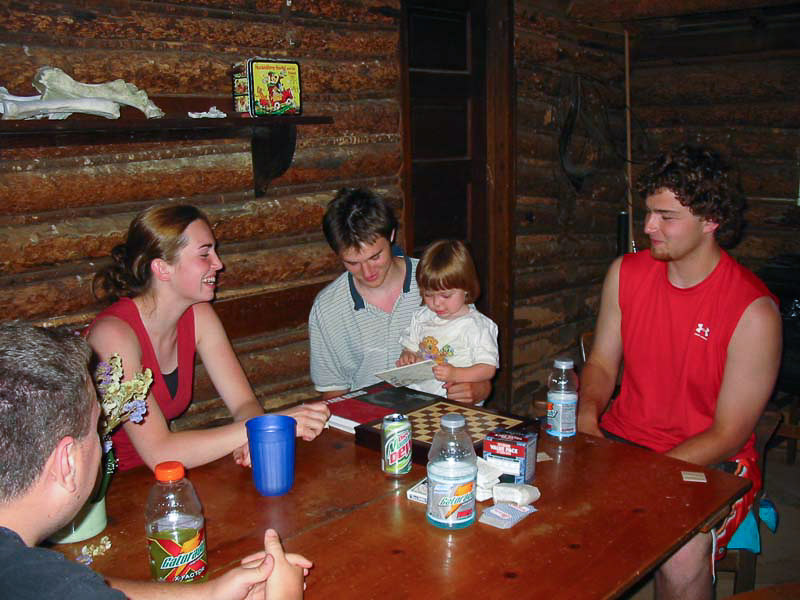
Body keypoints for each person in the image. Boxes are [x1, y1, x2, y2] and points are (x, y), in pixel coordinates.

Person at [577, 145, 782, 600]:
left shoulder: (753, 311)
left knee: (682, 552)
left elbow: (729, 434)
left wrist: (645, 474)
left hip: (707, 461)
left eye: (666, 217)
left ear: (711, 221)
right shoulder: (626, 273)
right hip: (623, 440)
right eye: (649, 213)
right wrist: (587, 417)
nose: (649, 227)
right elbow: (603, 364)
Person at [0, 322, 311, 600]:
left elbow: (73, 584)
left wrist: (208, 594)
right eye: (96, 427)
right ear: (67, 462)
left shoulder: (27, 571)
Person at [88, 204, 329, 471]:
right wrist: (268, 425)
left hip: (160, 480)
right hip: (108, 490)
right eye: (205, 254)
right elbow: (160, 453)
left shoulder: (199, 315)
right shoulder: (112, 336)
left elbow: (244, 403)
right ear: (162, 269)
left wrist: (253, 437)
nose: (219, 264)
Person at [308, 188, 491, 404]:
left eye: (375, 256)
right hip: (371, 422)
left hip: (441, 417)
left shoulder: (437, 281)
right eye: (352, 263)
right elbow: (333, 394)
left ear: (392, 235)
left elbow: (480, 359)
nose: (367, 272)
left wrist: (479, 390)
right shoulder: (328, 308)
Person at [395, 239, 498, 400]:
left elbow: (488, 368)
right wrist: (408, 355)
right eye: (428, 294)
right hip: (417, 398)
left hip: (456, 404)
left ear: (466, 289)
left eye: (446, 295)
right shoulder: (421, 317)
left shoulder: (477, 326)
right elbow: (411, 347)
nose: (436, 303)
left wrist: (456, 373)